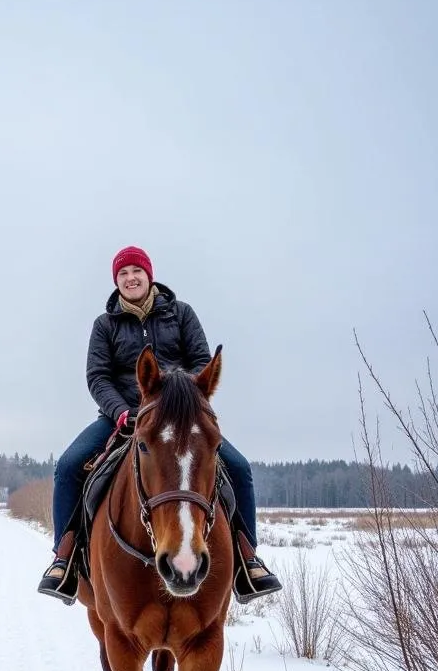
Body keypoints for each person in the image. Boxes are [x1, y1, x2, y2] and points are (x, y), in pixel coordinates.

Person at [37, 244, 282, 603]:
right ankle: (65, 558)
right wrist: (121, 411)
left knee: (240, 468)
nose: (130, 278)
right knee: (69, 466)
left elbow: (201, 360)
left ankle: (248, 560)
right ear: (116, 282)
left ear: (149, 276)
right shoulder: (105, 325)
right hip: (121, 418)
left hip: (180, 418)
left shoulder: (181, 314)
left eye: (136, 271)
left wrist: (178, 399)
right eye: (123, 274)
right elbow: (98, 376)